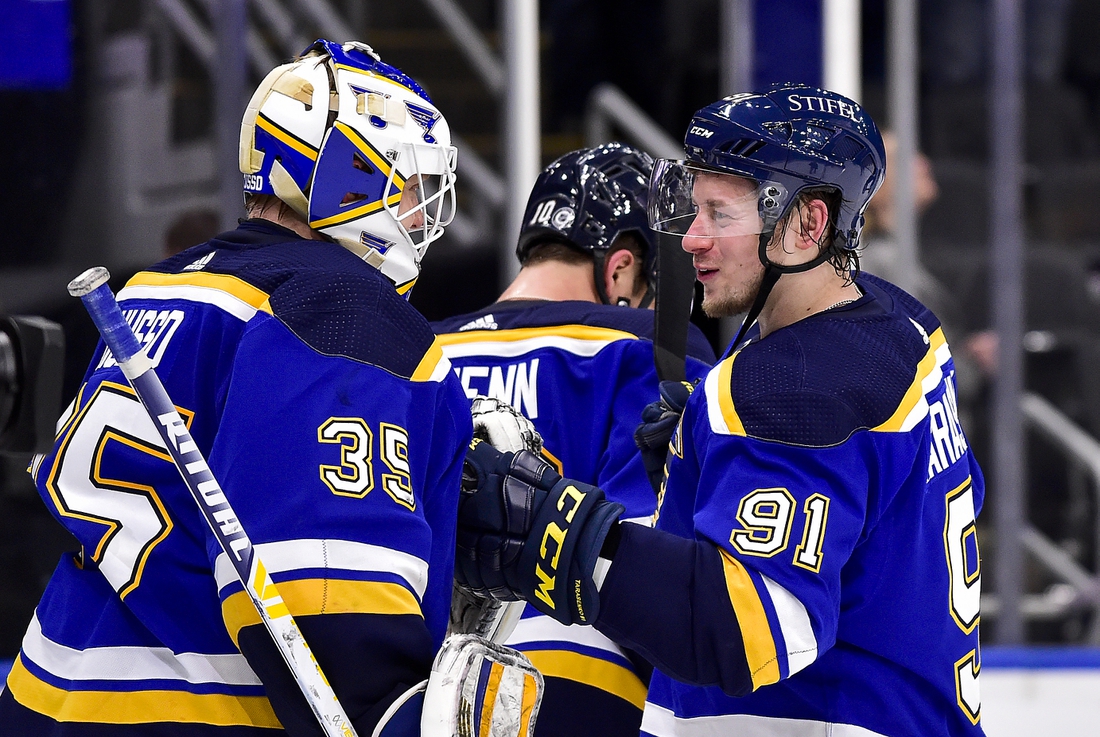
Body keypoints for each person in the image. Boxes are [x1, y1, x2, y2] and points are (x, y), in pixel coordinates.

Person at [455, 84, 986, 736]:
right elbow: (911, 509)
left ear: (808, 224)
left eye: (719, 214)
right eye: (694, 208)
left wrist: (556, 532)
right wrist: (715, 484)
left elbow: (752, 632)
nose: (692, 239)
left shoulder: (791, 389)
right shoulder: (901, 324)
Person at [1, 39, 471, 736]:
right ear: (348, 178)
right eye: (407, 190)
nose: (418, 219)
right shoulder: (342, 307)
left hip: (49, 694)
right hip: (196, 714)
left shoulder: (158, 286)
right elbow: (328, 603)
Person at [432, 143, 715, 737]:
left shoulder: (418, 351)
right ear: (621, 267)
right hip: (568, 675)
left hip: (422, 678)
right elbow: (650, 547)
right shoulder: (647, 343)